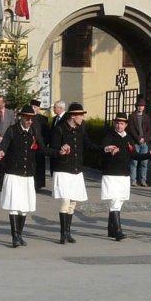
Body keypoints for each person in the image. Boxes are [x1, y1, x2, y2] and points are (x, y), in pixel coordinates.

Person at [90, 111, 147, 241]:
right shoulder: (110, 136)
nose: (119, 126)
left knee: (119, 201)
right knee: (114, 201)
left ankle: (111, 229)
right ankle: (118, 231)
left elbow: (134, 155)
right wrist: (108, 149)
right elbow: (103, 147)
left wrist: (150, 154)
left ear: (126, 125)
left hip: (124, 174)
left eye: (121, 123)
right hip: (111, 174)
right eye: (117, 123)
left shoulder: (128, 138)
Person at [47, 102, 89, 244]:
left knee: (72, 202)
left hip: (76, 170)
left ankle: (68, 232)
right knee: (65, 201)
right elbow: (53, 149)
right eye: (81, 115)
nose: (82, 118)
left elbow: (89, 145)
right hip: (63, 170)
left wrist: (105, 149)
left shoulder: (80, 129)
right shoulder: (59, 129)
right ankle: (62, 233)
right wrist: (61, 150)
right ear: (73, 116)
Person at [0, 104, 40, 248]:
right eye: (27, 118)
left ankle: (20, 235)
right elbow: (4, 145)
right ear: (21, 117)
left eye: (31, 119)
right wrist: (1, 152)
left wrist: (59, 151)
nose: (29, 121)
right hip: (14, 173)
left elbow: (42, 148)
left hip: (28, 173)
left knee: (24, 206)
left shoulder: (33, 131)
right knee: (14, 206)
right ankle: (14, 236)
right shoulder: (12, 130)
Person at [126, 98, 150, 188]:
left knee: (144, 162)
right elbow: (131, 129)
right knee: (134, 162)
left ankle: (143, 180)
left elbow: (149, 130)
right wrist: (138, 138)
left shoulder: (147, 117)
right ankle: (133, 180)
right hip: (135, 141)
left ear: (144, 107)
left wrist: (144, 138)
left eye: (142, 106)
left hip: (144, 142)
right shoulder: (132, 116)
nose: (140, 107)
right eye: (139, 106)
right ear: (136, 107)